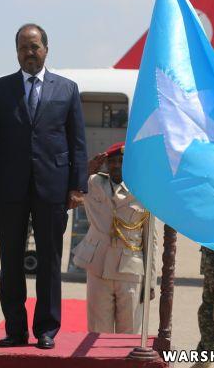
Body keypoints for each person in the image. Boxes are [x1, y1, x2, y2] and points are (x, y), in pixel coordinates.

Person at [0, 23, 88, 349]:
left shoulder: (67, 89)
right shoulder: (0, 89)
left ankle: (46, 329)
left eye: (35, 46)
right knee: (10, 260)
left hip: (53, 187)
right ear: (16, 52)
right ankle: (15, 329)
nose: (29, 52)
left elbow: (77, 142)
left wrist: (77, 186)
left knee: (49, 261)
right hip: (9, 188)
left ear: (46, 49)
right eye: (23, 47)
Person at [72, 142, 157, 334]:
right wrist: (87, 168)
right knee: (97, 330)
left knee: (129, 332)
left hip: (130, 269)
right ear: (106, 164)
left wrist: (150, 282)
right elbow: (71, 187)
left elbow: (150, 240)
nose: (116, 165)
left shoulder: (144, 191)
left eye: (122, 161)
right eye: (112, 162)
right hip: (98, 265)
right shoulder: (93, 183)